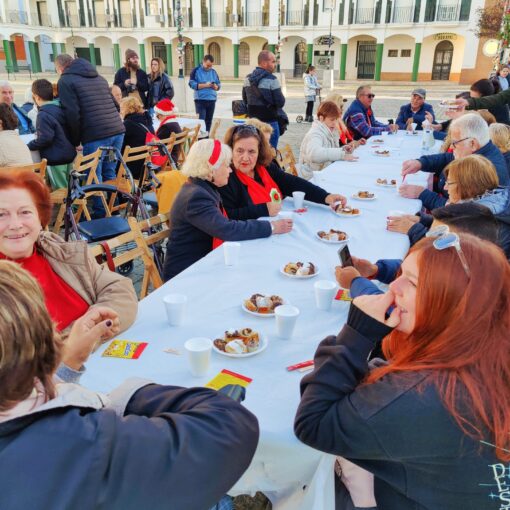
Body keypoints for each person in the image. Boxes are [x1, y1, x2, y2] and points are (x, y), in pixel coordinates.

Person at [0, 260, 260, 510]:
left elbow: (120, 288)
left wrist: (66, 367)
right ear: (46, 338)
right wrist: (129, 396)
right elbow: (230, 426)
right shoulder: (77, 439)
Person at [295, 234, 510, 510]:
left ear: (456, 304)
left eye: (413, 282)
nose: (394, 286)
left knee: (327, 475)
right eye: (401, 274)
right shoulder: (488, 348)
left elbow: (314, 424)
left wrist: (356, 335)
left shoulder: (425, 395)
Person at [0, 170, 137, 336]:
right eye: (1, 214)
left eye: (25, 212)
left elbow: (119, 287)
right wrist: (74, 342)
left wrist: (97, 322)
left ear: (40, 218)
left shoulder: (57, 250)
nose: (15, 225)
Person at [163, 139, 292, 280]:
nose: (230, 170)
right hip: (186, 274)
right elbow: (228, 229)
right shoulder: (196, 197)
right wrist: (271, 227)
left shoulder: (202, 187)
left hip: (205, 261)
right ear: (211, 168)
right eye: (226, 165)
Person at [337, 202, 500, 300]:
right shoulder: (458, 269)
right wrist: (377, 270)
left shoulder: (459, 296)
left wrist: (356, 284)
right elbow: (418, 273)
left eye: (438, 240)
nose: (427, 244)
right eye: (429, 235)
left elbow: (393, 312)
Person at [219, 123, 347, 219]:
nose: (245, 158)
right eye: (240, 151)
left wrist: (325, 196)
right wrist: (264, 209)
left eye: (252, 151)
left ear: (259, 152)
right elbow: (228, 215)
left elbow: (292, 183)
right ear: (230, 150)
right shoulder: (225, 177)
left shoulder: (266, 167)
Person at [55, 54, 125, 216]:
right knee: (109, 171)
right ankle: (113, 208)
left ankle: (101, 213)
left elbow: (72, 113)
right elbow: (116, 105)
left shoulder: (65, 81)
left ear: (59, 68)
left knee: (94, 175)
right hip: (117, 130)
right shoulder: (99, 77)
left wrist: (75, 140)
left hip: (95, 133)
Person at [400, 113, 508, 209]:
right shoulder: (483, 148)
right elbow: (448, 157)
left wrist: (422, 194)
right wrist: (421, 163)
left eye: (455, 143)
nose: (451, 146)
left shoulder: (483, 171)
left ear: (472, 143)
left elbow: (460, 212)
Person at [27, 79, 76, 190]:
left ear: (36, 96)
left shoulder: (43, 114)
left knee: (60, 190)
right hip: (69, 154)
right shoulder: (60, 107)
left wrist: (29, 145)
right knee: (70, 189)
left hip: (55, 159)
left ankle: (66, 203)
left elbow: (45, 138)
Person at [297, 101, 358, 180]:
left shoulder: (328, 130)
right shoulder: (315, 133)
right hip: (311, 177)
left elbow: (328, 150)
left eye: (336, 119)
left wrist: (342, 149)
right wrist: (341, 154)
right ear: (321, 118)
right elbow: (315, 154)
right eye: (332, 120)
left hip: (322, 172)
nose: (335, 123)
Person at [242, 50, 286, 148]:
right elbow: (280, 102)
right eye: (273, 61)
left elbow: (245, 100)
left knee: (254, 150)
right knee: (270, 152)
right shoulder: (272, 79)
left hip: (253, 124)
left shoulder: (247, 79)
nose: (275, 64)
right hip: (270, 124)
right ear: (264, 63)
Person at [120, 96, 154, 180]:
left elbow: (120, 147)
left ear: (127, 109)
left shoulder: (127, 124)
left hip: (131, 170)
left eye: (121, 108)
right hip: (146, 165)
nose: (120, 111)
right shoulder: (147, 121)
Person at [189, 54, 221, 134]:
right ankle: (201, 139)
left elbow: (219, 85)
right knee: (201, 122)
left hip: (212, 100)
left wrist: (216, 87)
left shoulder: (213, 72)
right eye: (207, 65)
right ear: (203, 61)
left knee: (209, 122)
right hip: (200, 100)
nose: (209, 67)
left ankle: (207, 138)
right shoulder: (196, 70)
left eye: (211, 66)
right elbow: (192, 84)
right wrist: (206, 85)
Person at [154, 98, 183, 165]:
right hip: (174, 156)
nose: (158, 119)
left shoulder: (166, 127)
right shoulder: (174, 123)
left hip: (167, 158)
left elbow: (156, 143)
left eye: (157, 116)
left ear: (162, 115)